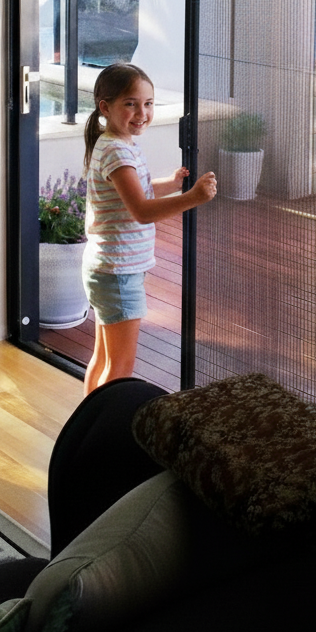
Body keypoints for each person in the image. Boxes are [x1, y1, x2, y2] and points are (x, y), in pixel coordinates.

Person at [81, 63, 217, 394]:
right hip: (117, 272)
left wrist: (170, 184)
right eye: (130, 103)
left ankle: (86, 430)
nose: (142, 112)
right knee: (120, 366)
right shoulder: (116, 151)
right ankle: (101, 435)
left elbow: (135, 194)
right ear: (105, 107)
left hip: (110, 269)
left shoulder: (116, 143)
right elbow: (141, 211)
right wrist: (193, 197)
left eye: (148, 103)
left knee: (104, 359)